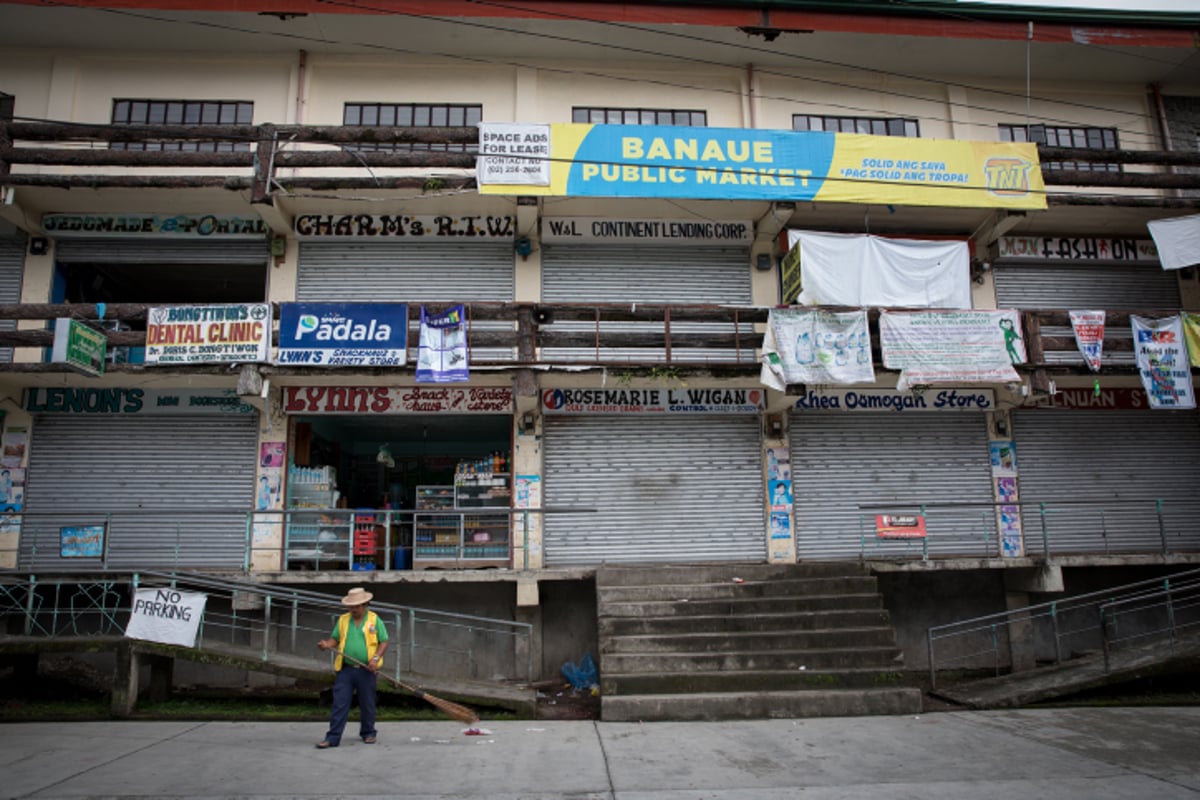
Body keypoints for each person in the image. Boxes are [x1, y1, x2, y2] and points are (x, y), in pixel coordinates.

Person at [315, 587, 389, 749]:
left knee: (367, 702)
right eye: (351, 606)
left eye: (357, 606)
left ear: (364, 604)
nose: (353, 609)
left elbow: (384, 641)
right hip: (346, 669)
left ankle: (368, 732)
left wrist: (375, 659)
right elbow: (335, 639)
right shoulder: (343, 620)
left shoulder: (374, 620)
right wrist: (327, 644)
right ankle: (333, 737)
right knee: (340, 703)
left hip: (366, 670)